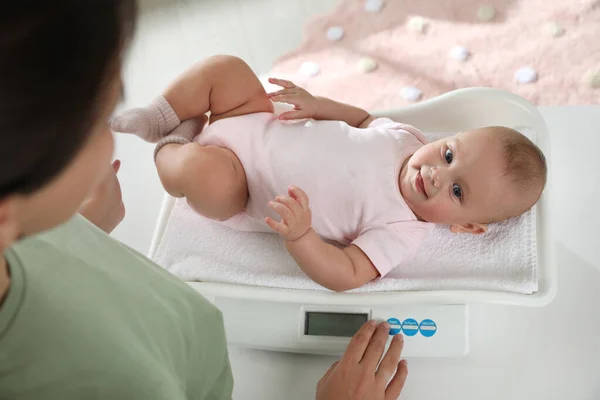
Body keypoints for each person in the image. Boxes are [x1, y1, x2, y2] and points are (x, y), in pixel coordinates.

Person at [0, 1, 408, 399]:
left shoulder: (33, 239)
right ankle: (172, 144)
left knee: (225, 69)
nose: (109, 142)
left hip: (247, 135)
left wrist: (81, 233)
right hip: (204, 357)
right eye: (96, 123)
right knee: (204, 169)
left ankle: (165, 122)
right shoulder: (124, 383)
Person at [111, 55, 548, 292]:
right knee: (226, 69)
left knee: (199, 173)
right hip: (254, 120)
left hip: (238, 183)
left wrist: (301, 238)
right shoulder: (409, 139)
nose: (435, 173)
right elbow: (362, 120)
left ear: (467, 226)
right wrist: (318, 105)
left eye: (456, 190)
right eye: (450, 154)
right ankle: (158, 116)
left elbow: (346, 274)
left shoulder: (401, 231)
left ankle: (171, 146)